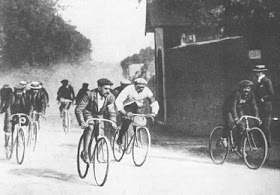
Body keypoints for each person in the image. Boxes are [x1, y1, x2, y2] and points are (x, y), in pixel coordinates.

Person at [75, 78, 117, 163]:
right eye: (105, 89)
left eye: (109, 89)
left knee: (102, 133)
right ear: (99, 88)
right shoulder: (89, 94)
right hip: (88, 113)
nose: (108, 91)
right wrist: (82, 122)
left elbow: (111, 110)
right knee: (90, 127)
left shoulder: (110, 96)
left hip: (100, 115)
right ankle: (85, 153)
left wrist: (113, 121)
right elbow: (79, 109)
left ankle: (96, 154)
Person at [115, 78, 159, 145]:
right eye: (139, 87)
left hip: (139, 107)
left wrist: (154, 112)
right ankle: (120, 137)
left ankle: (136, 137)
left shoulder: (147, 91)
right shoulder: (128, 89)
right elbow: (118, 101)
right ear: (135, 85)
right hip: (128, 107)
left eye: (142, 87)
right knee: (126, 122)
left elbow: (153, 102)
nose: (141, 89)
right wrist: (124, 112)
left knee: (140, 122)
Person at [221, 80, 259, 149]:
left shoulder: (251, 94)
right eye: (244, 88)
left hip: (238, 109)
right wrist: (236, 119)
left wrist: (256, 117)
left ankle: (239, 147)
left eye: (248, 88)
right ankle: (223, 137)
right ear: (241, 88)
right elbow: (232, 107)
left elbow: (254, 106)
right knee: (231, 124)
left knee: (242, 127)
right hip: (228, 109)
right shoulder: (236, 93)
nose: (246, 90)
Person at [4, 84, 31, 148]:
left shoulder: (24, 96)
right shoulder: (11, 96)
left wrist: (29, 115)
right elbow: (7, 107)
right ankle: (7, 143)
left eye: (20, 92)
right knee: (9, 129)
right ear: (15, 91)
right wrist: (9, 116)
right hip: (12, 115)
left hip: (22, 115)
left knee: (23, 126)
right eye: (18, 92)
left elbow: (29, 106)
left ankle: (20, 138)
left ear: (22, 92)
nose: (19, 93)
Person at [253, 64, 274, 148]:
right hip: (259, 107)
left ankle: (267, 144)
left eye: (256, 72)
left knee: (265, 125)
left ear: (260, 72)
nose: (255, 74)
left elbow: (271, 94)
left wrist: (263, 99)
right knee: (259, 124)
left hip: (266, 107)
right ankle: (261, 143)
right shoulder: (258, 82)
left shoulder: (267, 81)